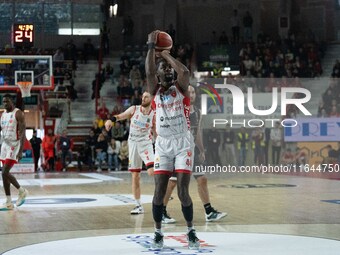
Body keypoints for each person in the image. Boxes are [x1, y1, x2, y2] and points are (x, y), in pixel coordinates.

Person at [145, 30, 200, 250]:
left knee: (182, 191)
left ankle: (191, 230)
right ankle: (158, 231)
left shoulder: (182, 88)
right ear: (158, 75)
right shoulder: (154, 89)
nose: (167, 69)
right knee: (159, 191)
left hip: (183, 143)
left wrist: (166, 56)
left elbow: (184, 71)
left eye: (169, 68)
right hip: (163, 144)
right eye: (163, 67)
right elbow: (148, 71)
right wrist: (151, 47)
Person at [162, 85, 227, 224]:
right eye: (188, 92)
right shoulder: (176, 109)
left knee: (202, 179)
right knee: (173, 183)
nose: (191, 94)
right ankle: (161, 210)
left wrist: (201, 149)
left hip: (192, 151)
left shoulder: (198, 112)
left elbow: (197, 133)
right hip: (178, 151)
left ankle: (209, 212)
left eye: (193, 92)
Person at [105, 92, 155, 214]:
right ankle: (138, 205)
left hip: (145, 143)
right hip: (133, 144)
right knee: (135, 176)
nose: (143, 98)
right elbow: (120, 116)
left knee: (152, 172)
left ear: (152, 99)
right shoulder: (134, 109)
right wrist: (110, 120)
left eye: (146, 97)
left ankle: (161, 197)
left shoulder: (154, 114)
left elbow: (156, 130)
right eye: (143, 96)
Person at [0, 94, 28, 210]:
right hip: (5, 145)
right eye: (3, 102)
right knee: (4, 174)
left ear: (12, 101)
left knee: (4, 172)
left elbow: (22, 134)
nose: (5, 104)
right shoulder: (3, 115)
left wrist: (21, 150)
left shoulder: (18, 113)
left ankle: (22, 191)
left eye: (7, 101)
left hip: (14, 145)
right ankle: (8, 202)